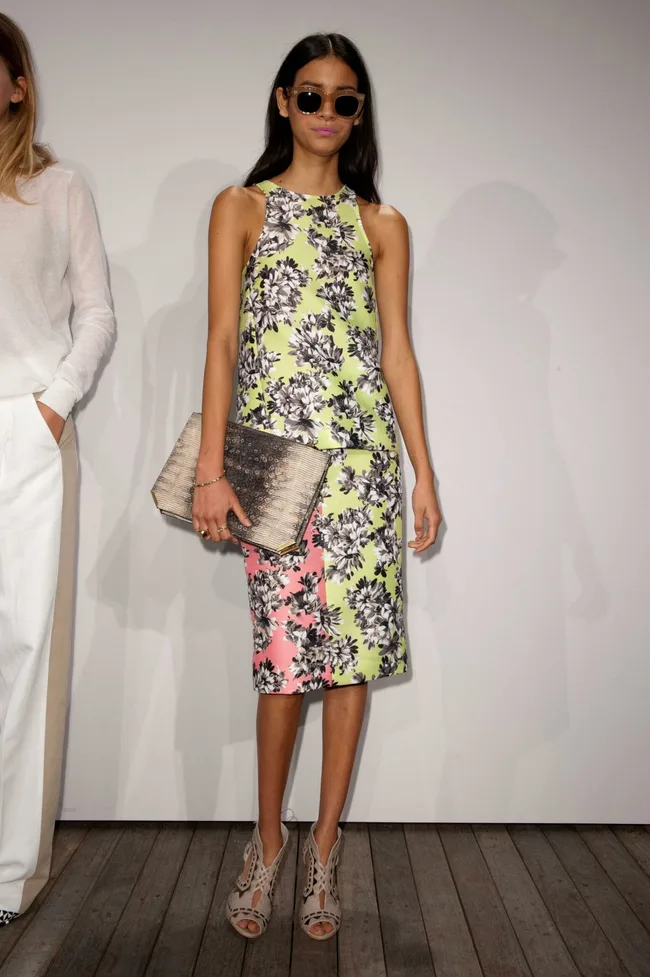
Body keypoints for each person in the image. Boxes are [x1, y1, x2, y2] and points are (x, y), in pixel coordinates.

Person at [192, 32, 441, 941]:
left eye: (344, 101)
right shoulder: (239, 207)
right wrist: (213, 468)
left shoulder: (382, 225)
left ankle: (324, 853)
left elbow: (397, 355)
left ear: (359, 114)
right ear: (282, 100)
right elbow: (222, 342)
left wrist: (422, 471)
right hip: (277, 470)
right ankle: (267, 843)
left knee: (351, 667)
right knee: (285, 664)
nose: (327, 114)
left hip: (364, 471)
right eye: (312, 96)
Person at [0, 14, 115, 924]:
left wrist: (52, 406)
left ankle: (6, 875)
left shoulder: (56, 186)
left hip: (25, 433)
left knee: (27, 648)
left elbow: (97, 312)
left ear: (16, 84)